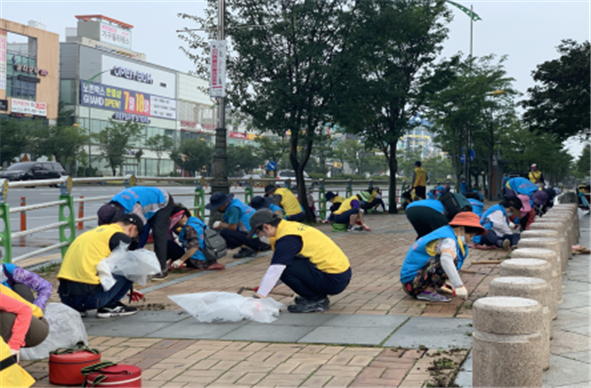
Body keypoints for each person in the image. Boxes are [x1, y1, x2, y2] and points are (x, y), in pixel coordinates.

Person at [249, 209, 352, 313]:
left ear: (266, 227)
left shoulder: (287, 239)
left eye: (258, 233)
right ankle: (315, 295)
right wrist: (268, 286)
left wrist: (259, 297)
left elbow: (276, 270)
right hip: (339, 275)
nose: (260, 237)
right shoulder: (290, 227)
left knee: (286, 269)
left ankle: (315, 300)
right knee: (289, 264)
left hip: (333, 279)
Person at [57, 214, 143, 318]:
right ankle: (110, 306)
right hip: (89, 298)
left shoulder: (94, 232)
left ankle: (78, 309)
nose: (133, 237)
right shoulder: (121, 237)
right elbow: (115, 267)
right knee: (132, 265)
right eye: (136, 233)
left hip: (65, 297)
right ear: (132, 228)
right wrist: (121, 289)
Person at [400, 212, 486, 302]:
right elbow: (446, 260)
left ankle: (431, 287)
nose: (469, 240)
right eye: (470, 236)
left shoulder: (446, 232)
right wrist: (458, 285)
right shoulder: (448, 239)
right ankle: (427, 291)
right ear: (461, 229)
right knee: (447, 260)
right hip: (411, 283)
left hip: (413, 281)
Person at [97, 187, 174, 279]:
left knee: (158, 232)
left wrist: (136, 253)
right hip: (144, 200)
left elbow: (144, 231)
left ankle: (162, 269)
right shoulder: (110, 208)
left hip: (162, 200)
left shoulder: (134, 209)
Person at [206, 192, 269, 259]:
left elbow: (233, 227)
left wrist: (221, 225)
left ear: (223, 205)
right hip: (264, 237)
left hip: (259, 240)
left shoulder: (233, 209)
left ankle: (247, 248)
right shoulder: (236, 202)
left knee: (224, 232)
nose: (217, 209)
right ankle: (251, 246)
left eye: (217, 207)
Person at [167, 206, 225, 271]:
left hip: (197, 261)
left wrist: (181, 260)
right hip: (208, 257)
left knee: (169, 244)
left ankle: (161, 265)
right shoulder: (196, 221)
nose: (177, 224)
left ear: (183, 216)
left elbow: (194, 247)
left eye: (177, 221)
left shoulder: (189, 228)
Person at [1, 285, 49, 352]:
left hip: (35, 325)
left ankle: (9, 354)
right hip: (23, 320)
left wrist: (14, 346)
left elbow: (25, 310)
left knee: (6, 317)